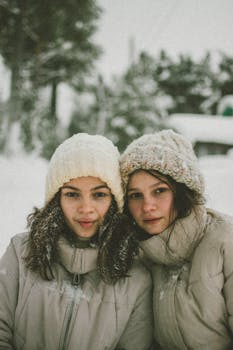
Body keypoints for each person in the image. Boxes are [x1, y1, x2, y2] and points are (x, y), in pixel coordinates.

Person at [0, 133, 153, 350]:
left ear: (114, 201)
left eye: (99, 195)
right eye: (72, 195)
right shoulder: (20, 253)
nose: (85, 208)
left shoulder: (136, 276)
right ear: (56, 199)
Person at [120, 129, 233, 350]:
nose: (147, 206)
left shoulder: (225, 242)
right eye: (135, 195)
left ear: (182, 192)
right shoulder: (138, 254)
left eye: (159, 190)